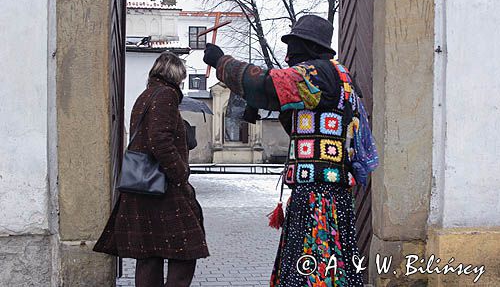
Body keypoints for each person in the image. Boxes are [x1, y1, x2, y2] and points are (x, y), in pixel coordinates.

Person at [203, 14, 378, 286]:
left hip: (318, 198)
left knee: (313, 267)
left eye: (292, 47)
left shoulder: (318, 73)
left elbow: (268, 85)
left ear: (307, 46)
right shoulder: (339, 77)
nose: (287, 57)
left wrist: (221, 62)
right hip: (330, 192)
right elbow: (301, 116)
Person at [94, 51, 209, 287]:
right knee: (188, 248)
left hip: (142, 185)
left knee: (150, 254)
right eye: (182, 78)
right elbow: (159, 141)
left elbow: (152, 135)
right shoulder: (166, 95)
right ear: (176, 75)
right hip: (163, 185)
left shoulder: (145, 96)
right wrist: (180, 175)